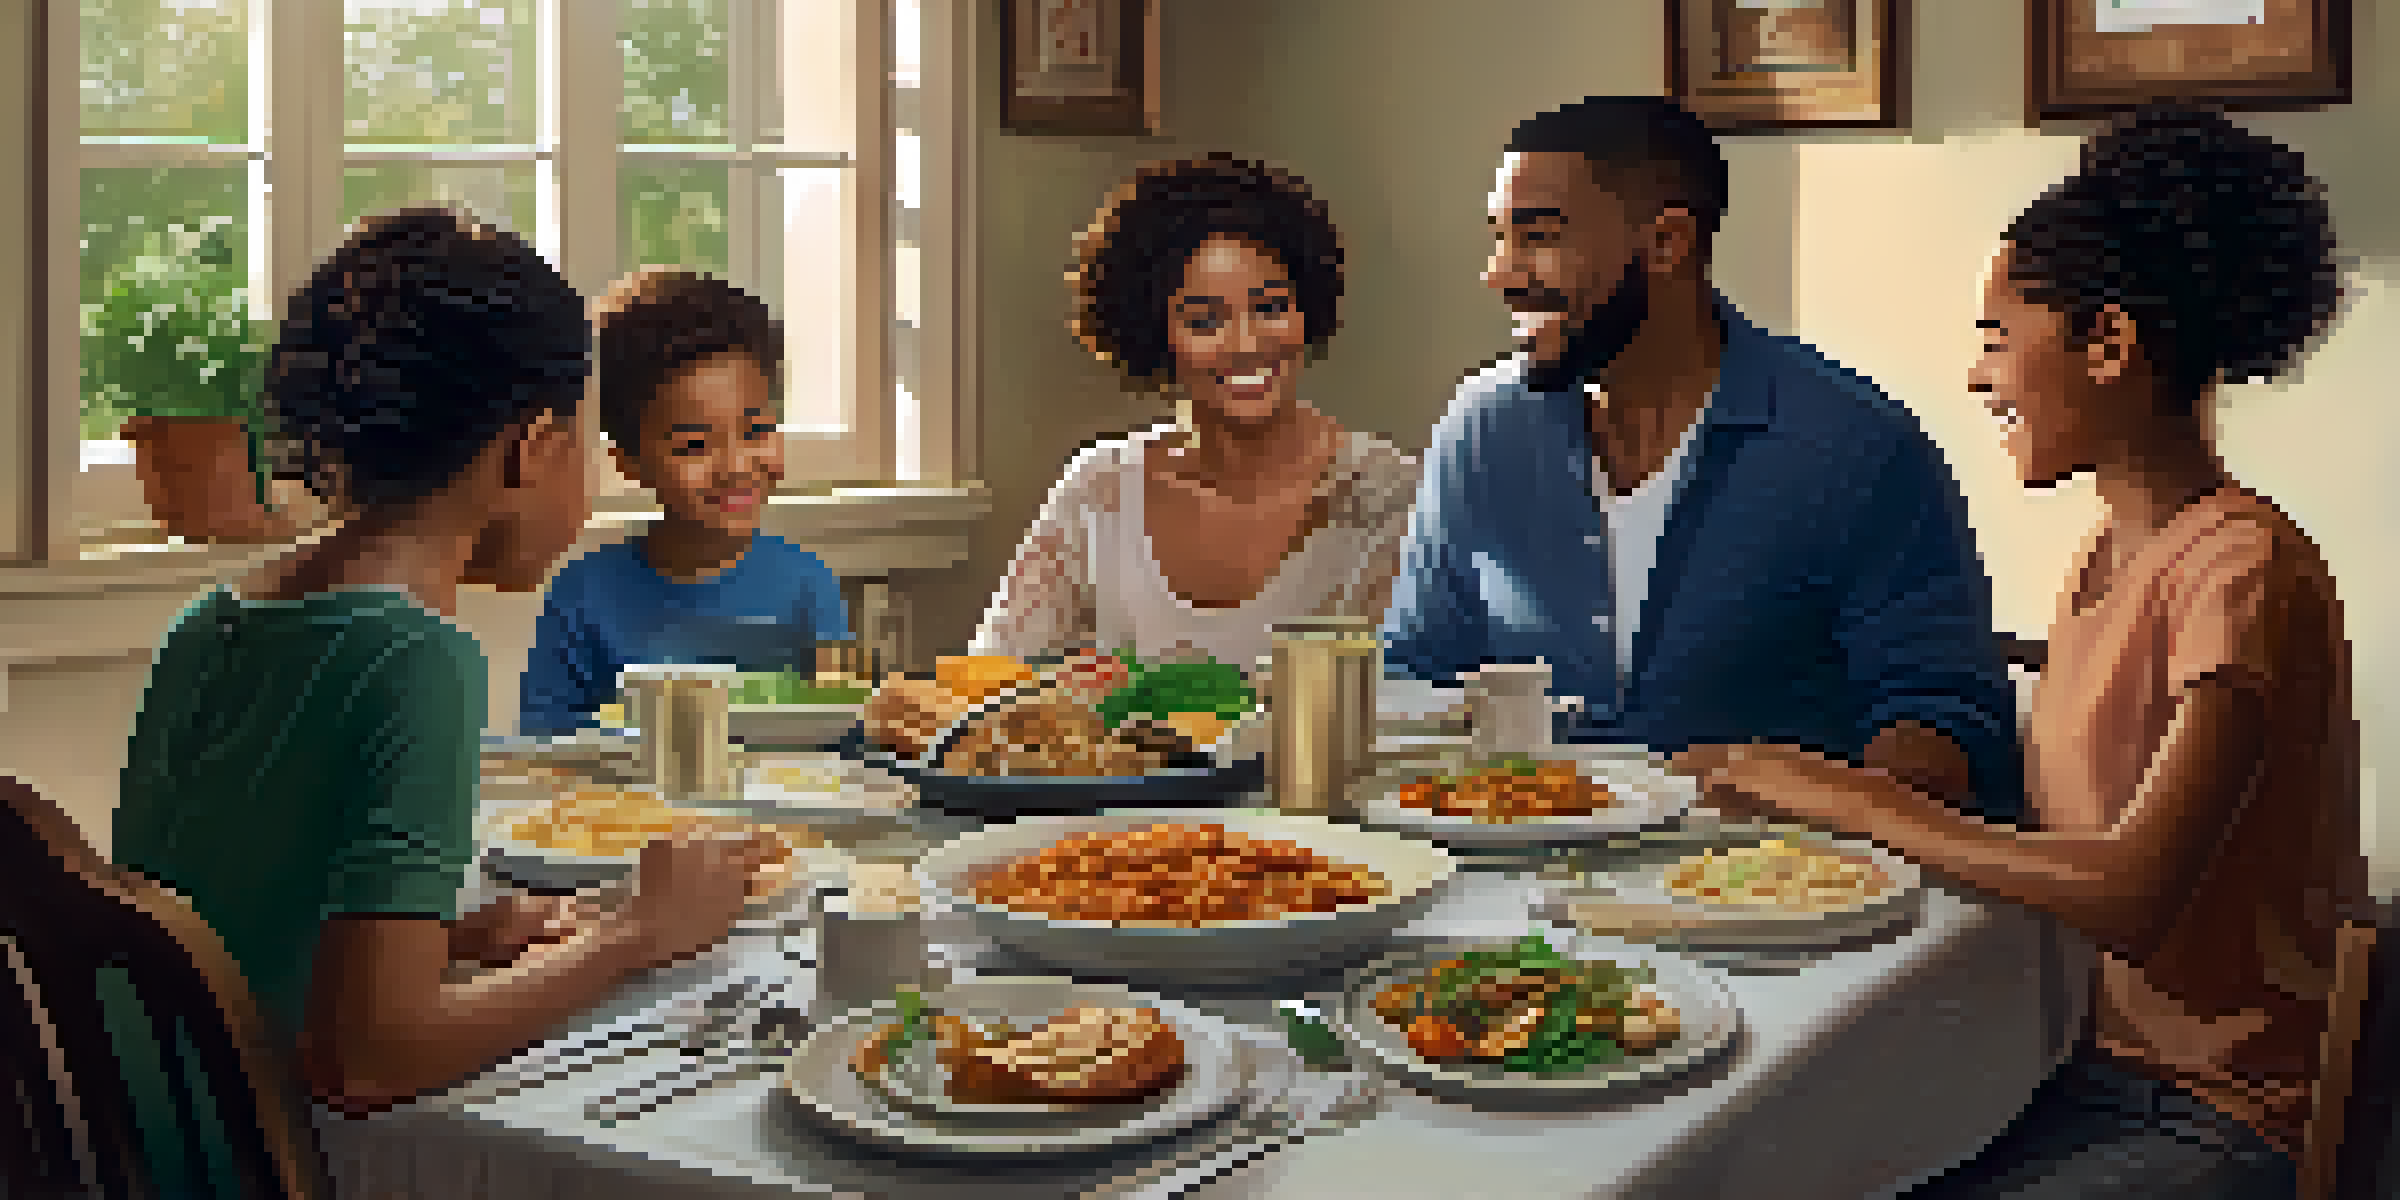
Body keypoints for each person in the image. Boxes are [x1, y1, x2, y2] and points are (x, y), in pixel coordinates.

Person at [1679, 106, 2365, 1198]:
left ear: (2107, 345)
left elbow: (2133, 893)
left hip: (2214, 1115)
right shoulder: (2112, 549)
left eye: (1997, 336)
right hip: (2071, 1065)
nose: (1976, 377)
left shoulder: (2242, 569)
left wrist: (1849, 800)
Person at [113, 210, 774, 1116]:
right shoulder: (416, 660)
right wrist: (633, 935)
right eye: (579, 443)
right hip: (259, 1166)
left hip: (146, 1136)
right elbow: (374, 1062)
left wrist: (456, 939)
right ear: (530, 450)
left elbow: (237, 932)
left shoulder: (211, 622)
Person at [1382, 95, 2021, 821]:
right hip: (1512, 877)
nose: (1499, 274)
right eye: (1499, 239)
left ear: (1666, 243)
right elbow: (1417, 675)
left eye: (1538, 239)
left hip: (1784, 895)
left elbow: (1948, 726)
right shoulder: (1481, 431)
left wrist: (1798, 816)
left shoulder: (1853, 446)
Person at [969, 153, 1420, 671]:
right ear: (1153, 333)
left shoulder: (1385, 497)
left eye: (1270, 309)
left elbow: (1401, 705)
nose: (1246, 344)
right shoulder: (1101, 490)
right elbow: (990, 681)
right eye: (1205, 321)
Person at [519, 267, 850, 735]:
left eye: (757, 432)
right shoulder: (582, 597)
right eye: (695, 446)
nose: (735, 466)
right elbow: (545, 748)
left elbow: (849, 733)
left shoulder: (810, 588)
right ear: (628, 462)